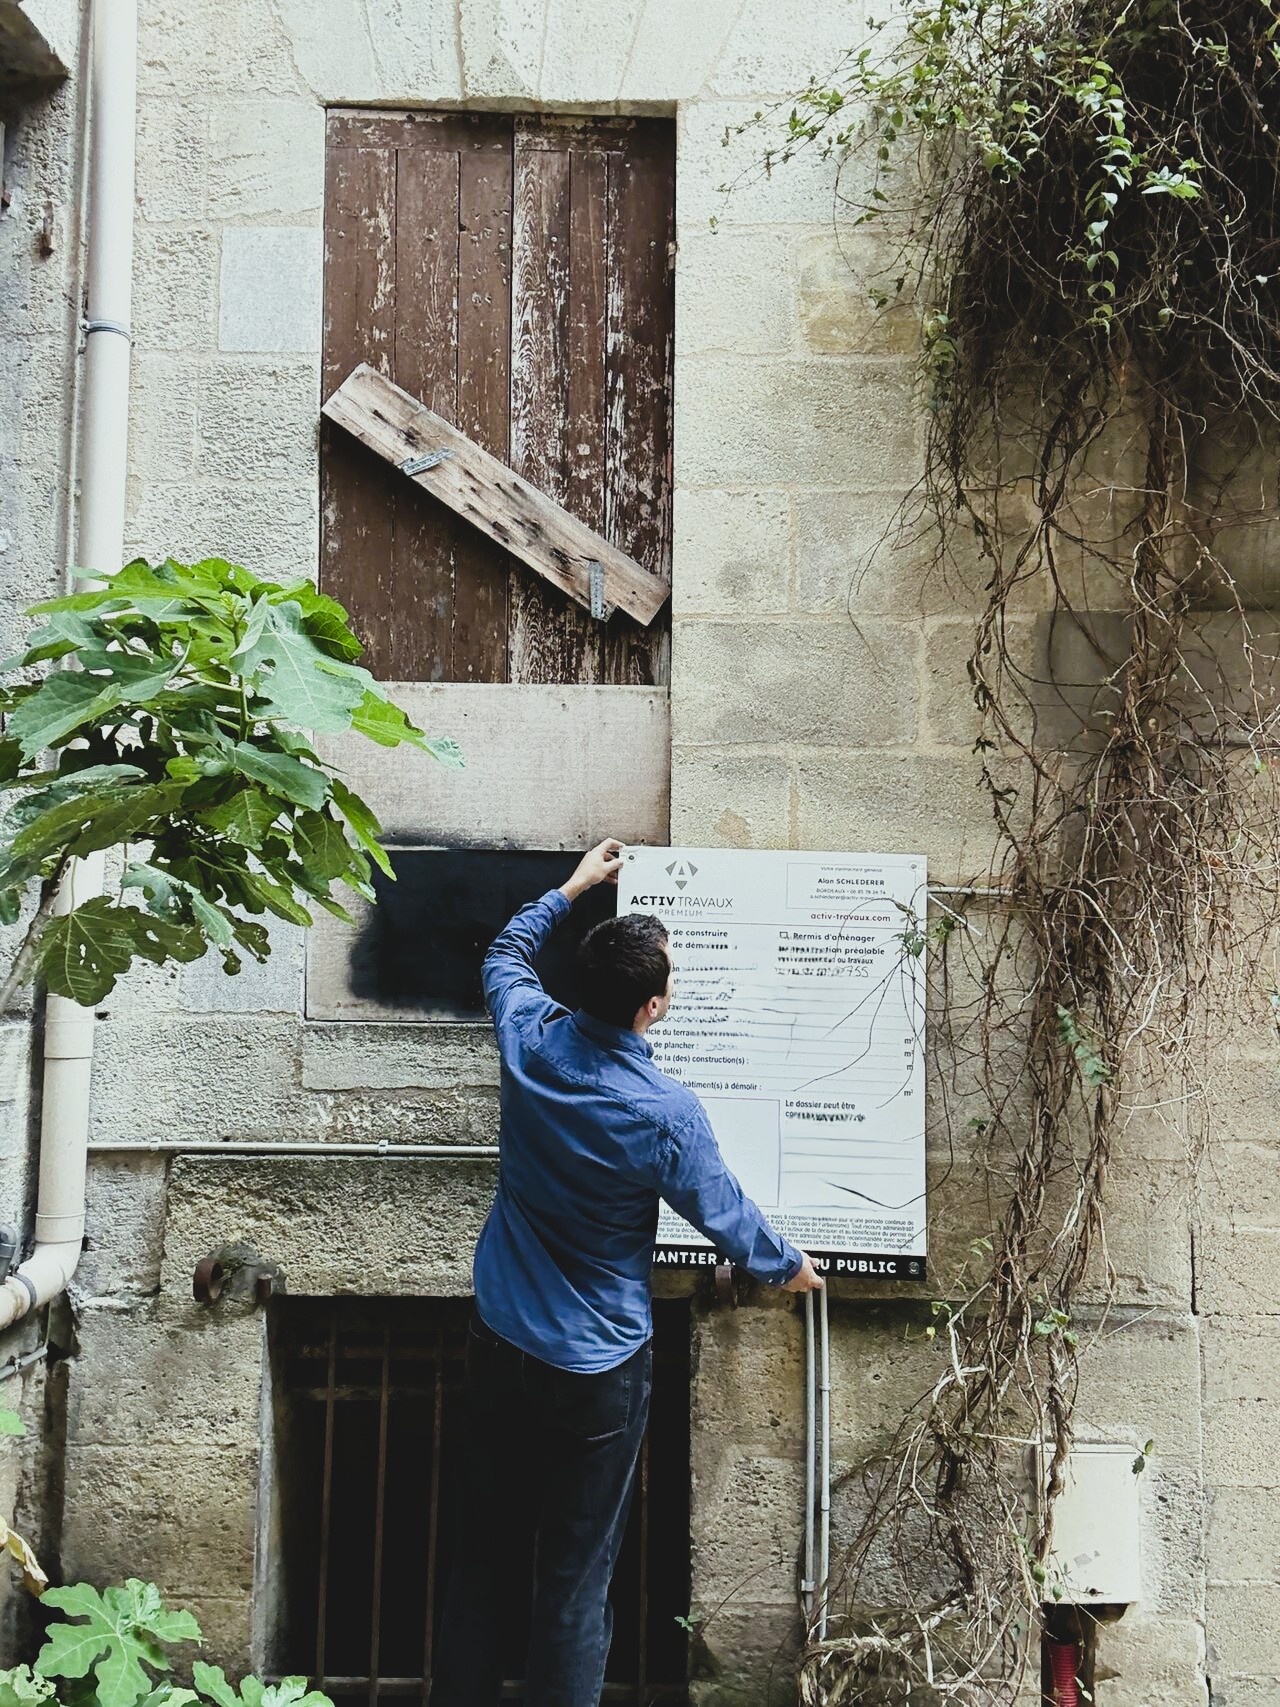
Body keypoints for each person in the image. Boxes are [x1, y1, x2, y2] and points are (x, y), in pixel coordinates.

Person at [430, 837, 824, 1707]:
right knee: (574, 1579)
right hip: (598, 1369)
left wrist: (571, 887)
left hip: (500, 1337)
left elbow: (503, 953)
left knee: (481, 1554)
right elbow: (724, 1213)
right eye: (670, 978)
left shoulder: (528, 1035)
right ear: (652, 1007)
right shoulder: (663, 1111)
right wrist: (791, 1265)